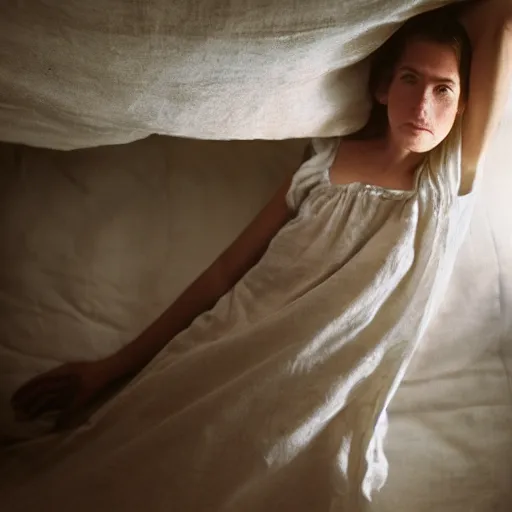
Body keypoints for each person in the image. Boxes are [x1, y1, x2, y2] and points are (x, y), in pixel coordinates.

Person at [10, 0, 512, 439]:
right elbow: (226, 274)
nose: (424, 104)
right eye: (410, 79)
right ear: (383, 88)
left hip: (313, 400)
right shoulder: (323, 163)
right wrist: (111, 368)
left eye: (444, 89)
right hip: (225, 351)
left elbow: (498, 18)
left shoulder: (448, 182)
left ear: (465, 103)